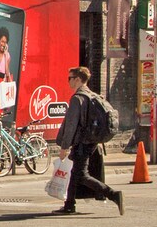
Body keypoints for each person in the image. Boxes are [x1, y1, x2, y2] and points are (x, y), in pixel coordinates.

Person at [52, 66, 122, 215]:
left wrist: (64, 147)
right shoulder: (93, 96)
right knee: (75, 173)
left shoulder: (78, 99)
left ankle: (113, 194)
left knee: (81, 174)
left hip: (81, 143)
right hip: (91, 142)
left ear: (78, 79)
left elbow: (71, 125)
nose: (68, 81)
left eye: (70, 78)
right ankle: (69, 205)